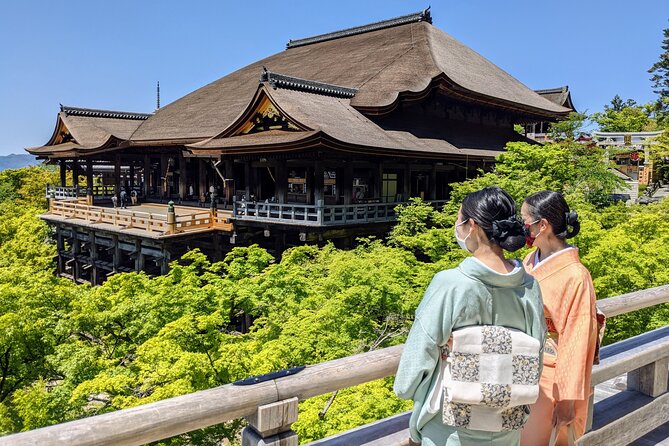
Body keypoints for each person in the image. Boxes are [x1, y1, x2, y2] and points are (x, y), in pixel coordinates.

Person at [394, 186, 545, 446]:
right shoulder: (530, 287)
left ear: (472, 225)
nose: (457, 226)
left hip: (451, 428)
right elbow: (537, 359)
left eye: (459, 219)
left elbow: (414, 368)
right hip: (506, 425)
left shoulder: (450, 284)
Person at [519, 191, 597, 446]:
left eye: (525, 221)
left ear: (543, 225)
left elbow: (576, 340)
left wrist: (566, 398)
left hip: (551, 372)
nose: (522, 228)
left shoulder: (576, 275)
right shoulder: (530, 260)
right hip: (523, 363)